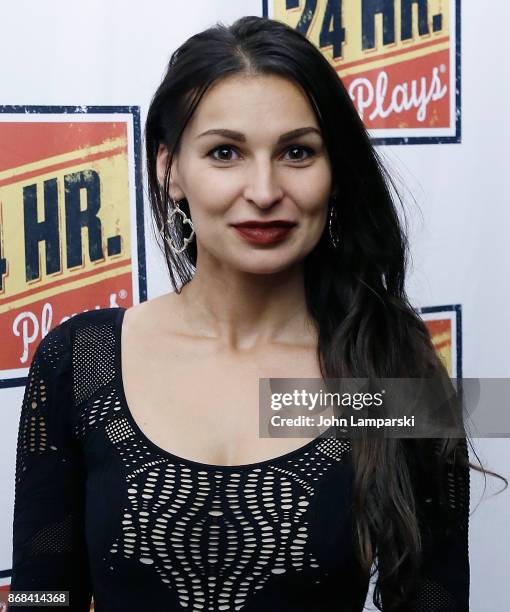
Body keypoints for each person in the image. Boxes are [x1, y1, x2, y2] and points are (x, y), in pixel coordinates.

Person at [10, 15, 506, 612]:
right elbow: (43, 595)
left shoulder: (389, 369)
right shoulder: (79, 360)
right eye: (226, 153)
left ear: (333, 172)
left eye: (297, 151)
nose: (265, 190)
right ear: (169, 170)